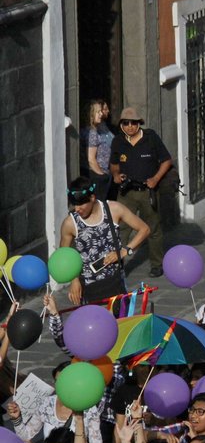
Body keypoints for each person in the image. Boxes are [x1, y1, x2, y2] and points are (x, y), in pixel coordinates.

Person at [60, 176, 150, 303]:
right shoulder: (70, 223)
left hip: (115, 282)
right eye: (74, 204)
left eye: (81, 204)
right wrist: (74, 280)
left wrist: (125, 251)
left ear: (92, 198)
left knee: (120, 322)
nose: (77, 209)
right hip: (88, 287)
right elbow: (64, 255)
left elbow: (144, 229)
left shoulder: (113, 209)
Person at [108, 105, 172, 277]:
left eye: (134, 123)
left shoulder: (151, 138)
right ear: (121, 124)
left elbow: (166, 161)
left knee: (153, 228)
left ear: (139, 124)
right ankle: (118, 266)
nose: (130, 126)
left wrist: (155, 179)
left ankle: (157, 264)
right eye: (126, 123)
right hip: (126, 193)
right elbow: (114, 164)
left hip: (147, 191)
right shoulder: (118, 141)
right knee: (121, 229)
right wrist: (115, 175)